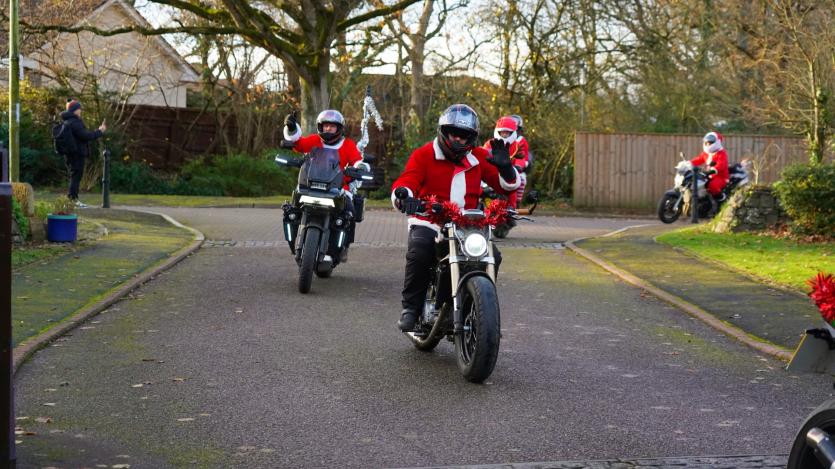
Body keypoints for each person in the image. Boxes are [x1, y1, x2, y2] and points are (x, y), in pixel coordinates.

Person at [391, 104, 520, 331]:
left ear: (472, 137)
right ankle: (410, 308)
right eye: (454, 133)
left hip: (467, 225)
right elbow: (407, 181)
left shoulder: (479, 157)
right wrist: (404, 196)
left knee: (493, 256)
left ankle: (477, 307)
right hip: (429, 220)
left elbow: (507, 186)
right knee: (420, 250)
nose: (458, 139)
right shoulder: (424, 154)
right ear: (444, 131)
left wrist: (506, 168)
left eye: (464, 135)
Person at [283, 109, 369, 255]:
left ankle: (345, 245)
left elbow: (357, 160)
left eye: (332, 126)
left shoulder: (348, 144)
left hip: (339, 187)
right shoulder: (314, 140)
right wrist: (291, 128)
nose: (328, 128)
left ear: (339, 128)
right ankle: (293, 235)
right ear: (320, 126)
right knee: (291, 209)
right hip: (310, 184)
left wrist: (359, 168)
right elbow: (299, 144)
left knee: (350, 211)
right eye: (325, 125)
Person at [60, 98, 106, 207]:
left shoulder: (67, 121)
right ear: (75, 110)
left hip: (71, 153)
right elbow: (86, 136)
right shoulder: (75, 122)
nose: (80, 111)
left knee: (74, 176)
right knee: (76, 177)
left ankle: (72, 200)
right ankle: (72, 200)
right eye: (79, 109)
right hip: (77, 154)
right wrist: (100, 131)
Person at [483, 115, 523, 207]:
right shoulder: (490, 143)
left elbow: (521, 157)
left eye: (507, 133)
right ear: (498, 132)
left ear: (512, 133)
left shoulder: (516, 145)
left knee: (512, 192)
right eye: (502, 132)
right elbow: (484, 156)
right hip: (492, 174)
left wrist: (518, 166)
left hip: (509, 174)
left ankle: (512, 208)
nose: (504, 135)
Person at [690, 131, 729, 200]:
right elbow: (698, 159)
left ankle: (721, 198)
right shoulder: (706, 153)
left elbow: (721, 164)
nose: (708, 145)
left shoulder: (721, 153)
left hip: (720, 177)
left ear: (717, 142)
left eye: (710, 143)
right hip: (708, 176)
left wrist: (714, 169)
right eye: (706, 143)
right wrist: (688, 163)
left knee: (713, 185)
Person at [509, 114, 530, 205]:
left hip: (518, 164)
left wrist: (518, 165)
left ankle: (518, 200)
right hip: (505, 164)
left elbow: (522, 156)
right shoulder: (503, 139)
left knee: (521, 179)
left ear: (519, 131)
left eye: (516, 130)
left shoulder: (521, 141)